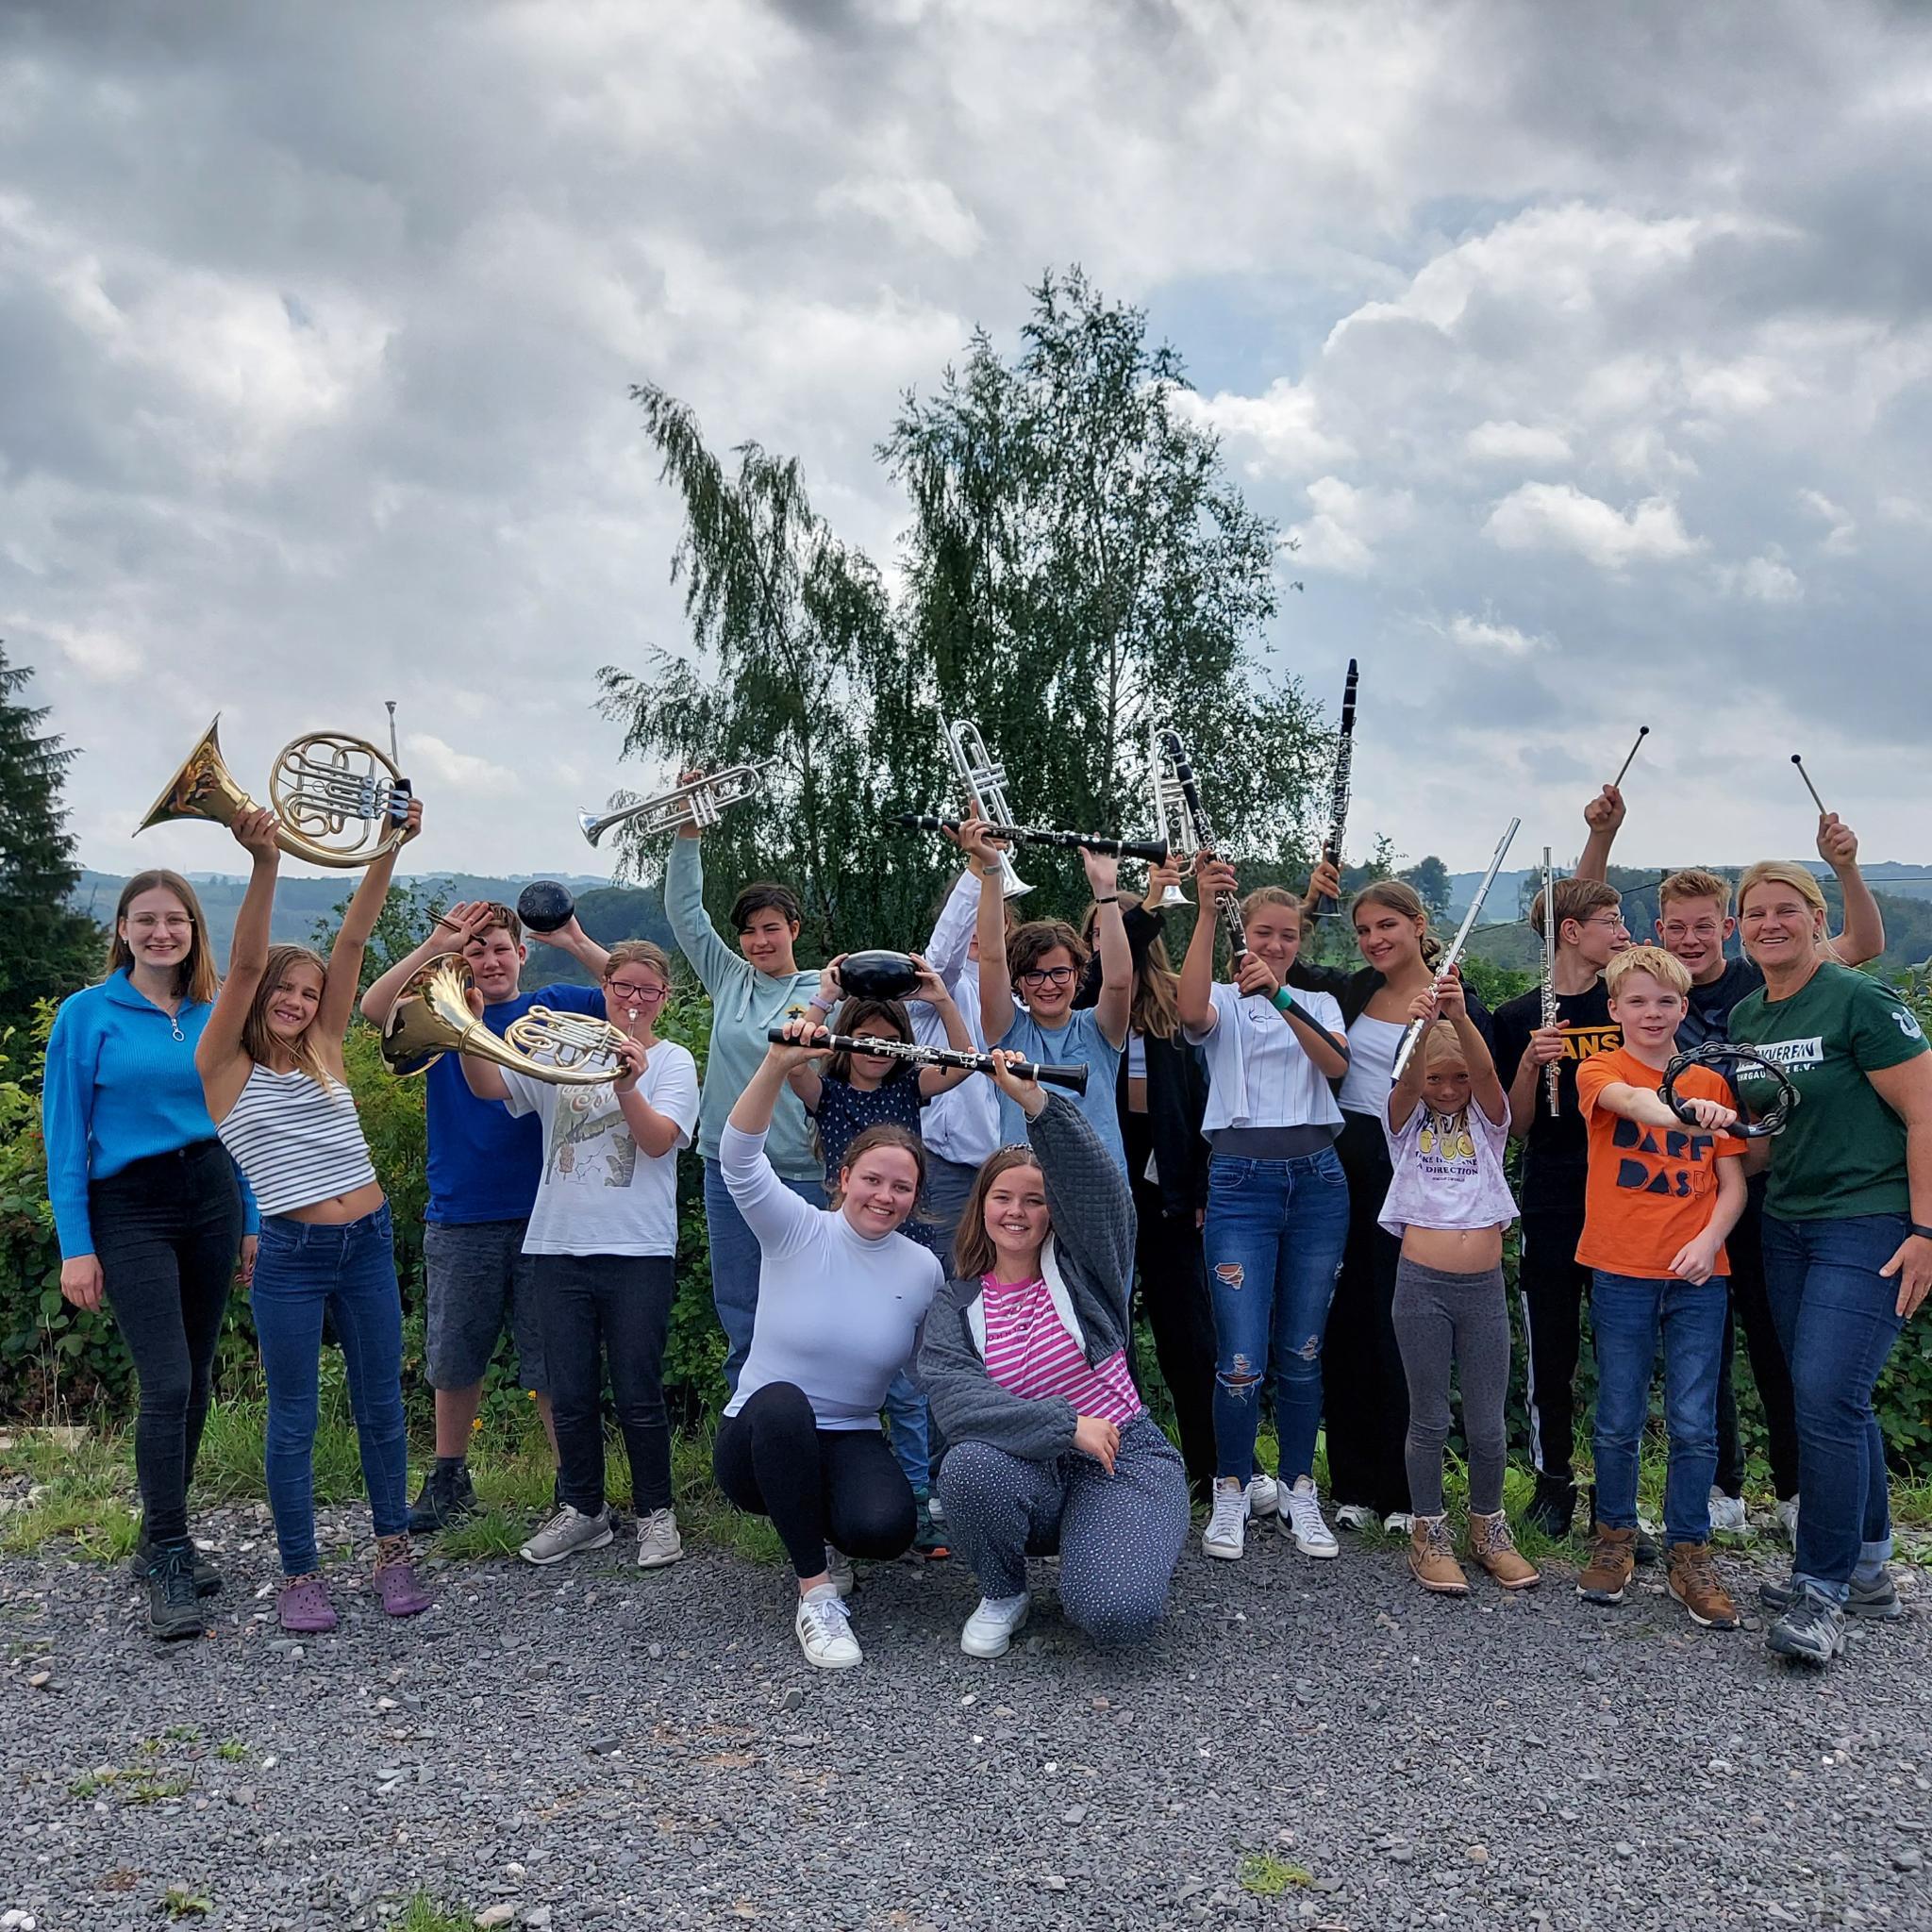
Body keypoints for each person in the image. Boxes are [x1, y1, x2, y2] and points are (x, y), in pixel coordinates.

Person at [1575, 791, 1883, 1545]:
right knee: (1698, 1355)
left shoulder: (1760, 979)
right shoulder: (1640, 1002)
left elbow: (1862, 943)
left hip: (1761, 1189)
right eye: (1674, 927)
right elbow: (1578, 925)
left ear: (1727, 928)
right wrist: (1602, 838)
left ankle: (1798, 1490)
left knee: (1782, 1349)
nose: (1689, 937)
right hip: (1679, 1200)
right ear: (1657, 934)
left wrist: (1844, 866)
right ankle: (1718, 1490)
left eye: (1703, 925)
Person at [197, 806, 432, 1635]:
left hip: (365, 1242)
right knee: (293, 1415)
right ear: (260, 995)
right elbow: (245, 961)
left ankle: (393, 1552)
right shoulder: (222, 1064)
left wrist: (390, 847)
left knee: (380, 1407)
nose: (298, 1000)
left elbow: (353, 945)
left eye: (308, 992)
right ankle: (301, 1572)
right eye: (284, 991)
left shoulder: (328, 1046)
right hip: (293, 1254)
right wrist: (264, 864)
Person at [42, 871, 258, 1640]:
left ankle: (160, 1533)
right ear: (124, 930)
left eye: (176, 920)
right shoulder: (86, 1014)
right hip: (127, 1205)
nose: (161, 932)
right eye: (146, 920)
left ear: (195, 929)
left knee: (196, 1377)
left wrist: (251, 1217)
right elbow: (65, 1136)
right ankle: (168, 1552)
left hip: (209, 1194)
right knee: (166, 1379)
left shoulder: (213, 1013)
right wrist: (77, 1246)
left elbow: (238, 1120)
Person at [1725, 862, 1932, 1667]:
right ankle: (1872, 1570)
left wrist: (1925, 1229)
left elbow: (1925, 1112)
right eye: (1755, 913)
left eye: (1787, 910)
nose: (1769, 924)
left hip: (1870, 1220)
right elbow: (1765, 1141)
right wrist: (1703, 1136)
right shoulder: (1747, 1012)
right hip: (1790, 1223)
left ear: (1818, 919)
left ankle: (1821, 1589)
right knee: (1837, 1399)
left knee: (1823, 1397)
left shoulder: (1860, 999)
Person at [918, 1056, 1191, 1657]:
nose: (1017, 1211)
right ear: (981, 1207)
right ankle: (1004, 1592)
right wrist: (1066, 1426)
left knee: (1117, 1617)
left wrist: (1036, 1103)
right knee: (967, 1467)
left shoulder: (1088, 1270)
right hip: (1032, 1464)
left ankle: (1120, 1537)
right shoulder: (956, 1303)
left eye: (1035, 1200)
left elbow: (1100, 1193)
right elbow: (959, 1406)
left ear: (1054, 1214)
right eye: (1003, 1197)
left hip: (1123, 1456)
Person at [361, 900, 611, 1530]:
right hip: (461, 1208)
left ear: (522, 954)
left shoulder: (554, 1003)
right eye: (476, 951)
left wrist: (577, 941)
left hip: (547, 1210)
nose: (491, 961)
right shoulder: (440, 1011)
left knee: (550, 1357)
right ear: (459, 961)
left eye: (501, 949)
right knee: (453, 1354)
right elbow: (371, 1010)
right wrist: (435, 944)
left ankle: (572, 1485)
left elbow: (632, 990)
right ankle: (450, 1479)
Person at [455, 941, 700, 1570]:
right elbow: (487, 1084)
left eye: (648, 991)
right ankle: (584, 1510)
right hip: (555, 1243)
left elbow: (655, 1141)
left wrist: (628, 1086)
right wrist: (466, 1023)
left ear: (663, 1000)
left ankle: (655, 1515)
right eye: (623, 988)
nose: (634, 1000)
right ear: (606, 989)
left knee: (639, 1391)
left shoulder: (672, 1062)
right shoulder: (556, 1052)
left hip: (637, 1247)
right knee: (568, 1390)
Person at [710, 1028, 945, 1671]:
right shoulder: (797, 1230)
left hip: (849, 1435)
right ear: (843, 1178)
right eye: (872, 1179)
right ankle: (815, 1594)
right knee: (784, 1404)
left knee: (886, 1529)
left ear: (914, 1198)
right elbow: (737, 1157)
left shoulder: (922, 1270)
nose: (884, 1196)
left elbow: (935, 1377)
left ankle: (821, 1532)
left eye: (901, 1187)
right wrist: (778, 1062)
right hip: (758, 1438)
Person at [1289, 874, 1499, 1537]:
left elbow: (1484, 1087)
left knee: (1405, 1330)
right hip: (1344, 1162)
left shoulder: (1454, 997)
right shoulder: (1353, 991)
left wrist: (1450, 1018)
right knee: (1349, 1320)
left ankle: (1409, 1493)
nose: (1375, 940)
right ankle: (1353, 1484)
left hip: (1419, 1171)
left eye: (1387, 926)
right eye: (1364, 930)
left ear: (1418, 924)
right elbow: (1281, 962)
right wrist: (1308, 903)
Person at [1179, 857, 1352, 1562]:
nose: (1274, 945)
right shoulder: (1222, 998)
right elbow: (1190, 1014)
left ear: (1298, 942)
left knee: (1303, 1353)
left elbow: (1336, 1066)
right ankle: (1232, 1486)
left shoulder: (1320, 1002)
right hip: (1241, 1184)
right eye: (1262, 934)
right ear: (1241, 935)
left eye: (1286, 935)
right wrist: (1201, 910)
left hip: (1317, 1181)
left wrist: (1282, 996)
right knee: (1241, 1358)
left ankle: (1300, 1488)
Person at [1572, 947, 1746, 1630]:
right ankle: (1614, 1535)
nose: (1652, 1013)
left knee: (1696, 1424)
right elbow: (1632, 1101)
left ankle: (1688, 1551)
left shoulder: (1714, 1080)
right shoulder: (1601, 1067)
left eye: (1666, 1002)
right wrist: (1682, 1111)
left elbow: (1731, 1185)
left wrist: (1708, 1243)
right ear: (1614, 1009)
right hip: (1620, 1270)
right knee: (1617, 1416)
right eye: (1637, 1002)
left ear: (1684, 1007)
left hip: (1700, 1277)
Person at [788, 958, 974, 1554]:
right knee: (849, 1368)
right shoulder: (829, 1092)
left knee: (912, 1381)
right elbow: (793, 1056)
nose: (877, 1049)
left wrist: (941, 999)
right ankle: (834, 1490)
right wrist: (823, 998)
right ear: (846, 1040)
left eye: (891, 1041)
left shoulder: (908, 1086)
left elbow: (966, 1061)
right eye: (865, 1038)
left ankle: (919, 1496)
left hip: (908, 1243)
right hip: (844, 1248)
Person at [1380, 971, 1536, 1595]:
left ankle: (1489, 1528)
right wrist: (1420, 1029)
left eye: (1458, 1078)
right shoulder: (1403, 1124)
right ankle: (1428, 1530)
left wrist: (1460, 1017)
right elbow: (1407, 1085)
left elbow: (1492, 1081)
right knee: (1429, 1419)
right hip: (1421, 1286)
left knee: (1489, 1421)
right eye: (1436, 1079)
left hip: (1481, 1291)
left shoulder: (1488, 1122)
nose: (1448, 1089)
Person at [664, 790, 823, 1389]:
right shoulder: (730, 977)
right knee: (741, 1309)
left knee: (805, 1309)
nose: (759, 941)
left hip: (800, 1170)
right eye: (750, 931)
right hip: (726, 1167)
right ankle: (747, 1432)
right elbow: (685, 914)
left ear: (793, 931)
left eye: (771, 929)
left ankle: (815, 1433)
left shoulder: (822, 988)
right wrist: (688, 831)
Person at [1490, 875, 1630, 1540]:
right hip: (1551, 1197)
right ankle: (1553, 1480)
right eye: (1611, 919)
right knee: (1550, 1344)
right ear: (1570, 932)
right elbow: (1514, 1127)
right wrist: (1527, 1063)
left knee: (1623, 1344)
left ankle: (1617, 1488)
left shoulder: (1633, 1001)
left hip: (1629, 1195)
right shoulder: (1520, 1015)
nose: (1624, 931)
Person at [1072, 866, 1219, 1498]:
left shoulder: (1177, 1008)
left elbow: (1204, 1107)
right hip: (1103, 1182)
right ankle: (1119, 1464)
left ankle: (1211, 1469)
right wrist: (1140, 905)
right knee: (1106, 1335)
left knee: (1187, 1334)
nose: (1109, 945)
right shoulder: (1078, 1004)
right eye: (1098, 935)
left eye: (1119, 935)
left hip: (1167, 1190)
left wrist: (1201, 1192)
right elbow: (1107, 974)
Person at [961, 818, 1132, 1172]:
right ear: (1019, 982)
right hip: (1025, 1184)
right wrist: (992, 870)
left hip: (1095, 1185)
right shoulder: (1008, 1029)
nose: (1048, 985)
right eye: (1034, 975)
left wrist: (1106, 890)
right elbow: (992, 955)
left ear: (1078, 975)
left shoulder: (1100, 1030)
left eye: (1059, 972)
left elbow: (1118, 981)